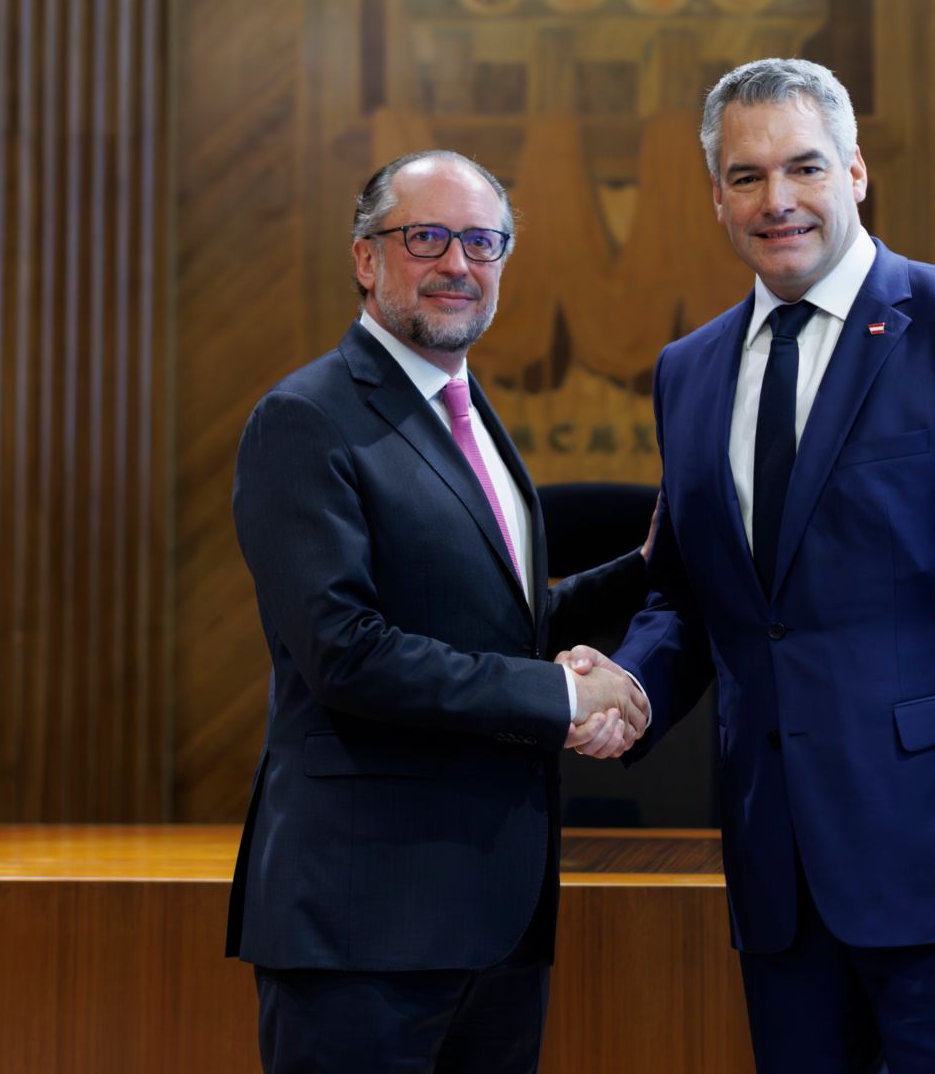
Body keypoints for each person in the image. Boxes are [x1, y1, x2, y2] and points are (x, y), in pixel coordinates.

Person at [566, 58, 935, 1074]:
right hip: (780, 883)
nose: (777, 200)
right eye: (745, 176)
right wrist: (634, 685)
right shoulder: (688, 371)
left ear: (855, 171)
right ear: (715, 196)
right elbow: (693, 591)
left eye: (803, 167)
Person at [226, 149, 651, 1074]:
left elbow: (498, 622)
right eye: (426, 237)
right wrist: (561, 698)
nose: (458, 263)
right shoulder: (304, 418)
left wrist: (648, 566)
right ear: (365, 258)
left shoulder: (464, 408)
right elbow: (347, 653)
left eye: (483, 241)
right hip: (363, 925)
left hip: (493, 919)